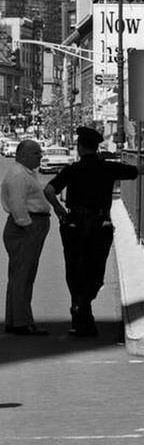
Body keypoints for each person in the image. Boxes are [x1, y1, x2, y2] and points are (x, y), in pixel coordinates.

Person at [44, 127, 144, 337]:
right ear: (96, 148)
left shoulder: (72, 170)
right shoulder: (108, 168)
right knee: (96, 270)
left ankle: (80, 311)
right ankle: (83, 309)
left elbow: (49, 190)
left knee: (75, 270)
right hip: (99, 223)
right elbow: (140, 171)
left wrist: (60, 212)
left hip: (74, 223)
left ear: (79, 148)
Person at [3, 139, 61, 335]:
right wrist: (28, 227)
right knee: (23, 276)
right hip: (26, 228)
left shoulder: (26, 173)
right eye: (36, 153)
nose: (40, 156)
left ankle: (16, 319)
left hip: (30, 226)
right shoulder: (19, 175)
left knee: (22, 276)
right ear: (22, 155)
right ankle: (21, 322)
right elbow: (18, 206)